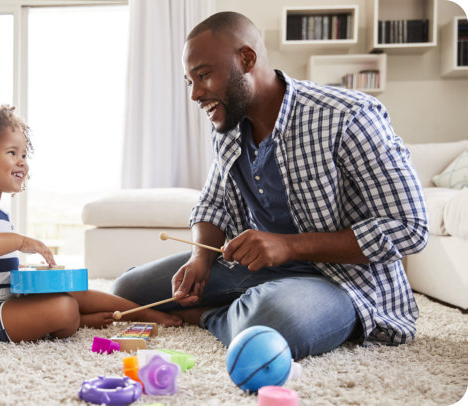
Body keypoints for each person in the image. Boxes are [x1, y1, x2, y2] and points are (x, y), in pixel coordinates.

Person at [111, 11, 429, 360]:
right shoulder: (229, 126)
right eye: (190, 81)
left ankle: (206, 316)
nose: (195, 94)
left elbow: (409, 228)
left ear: (246, 59)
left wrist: (290, 247)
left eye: (203, 75)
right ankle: (243, 307)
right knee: (128, 289)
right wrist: (200, 257)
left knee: (270, 322)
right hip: (257, 271)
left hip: (341, 282)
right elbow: (212, 204)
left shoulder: (349, 116)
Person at [0, 100, 182, 343]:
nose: (22, 162)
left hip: (3, 302)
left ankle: (143, 312)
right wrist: (20, 241)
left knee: (70, 291)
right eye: (11, 152)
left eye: (24, 154)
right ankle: (78, 320)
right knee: (64, 307)